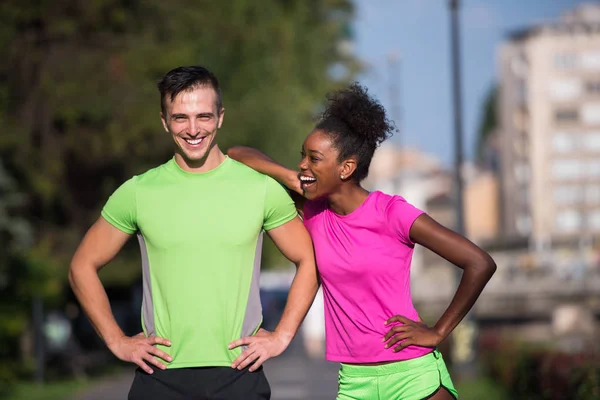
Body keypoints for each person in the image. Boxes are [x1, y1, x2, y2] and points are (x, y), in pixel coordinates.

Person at [227, 83, 497, 400]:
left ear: (346, 168)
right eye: (303, 156)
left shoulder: (392, 213)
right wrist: (290, 177)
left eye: (314, 159)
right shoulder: (314, 211)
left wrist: (438, 332)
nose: (303, 165)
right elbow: (237, 154)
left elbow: (479, 263)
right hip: (355, 381)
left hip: (412, 376)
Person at [68, 66, 319, 400]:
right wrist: (117, 340)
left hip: (238, 375)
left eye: (203, 116)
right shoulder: (139, 192)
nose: (193, 129)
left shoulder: (260, 190)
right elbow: (81, 266)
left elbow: (310, 259)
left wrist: (282, 335)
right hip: (159, 377)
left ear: (220, 117)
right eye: (180, 118)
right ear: (164, 121)